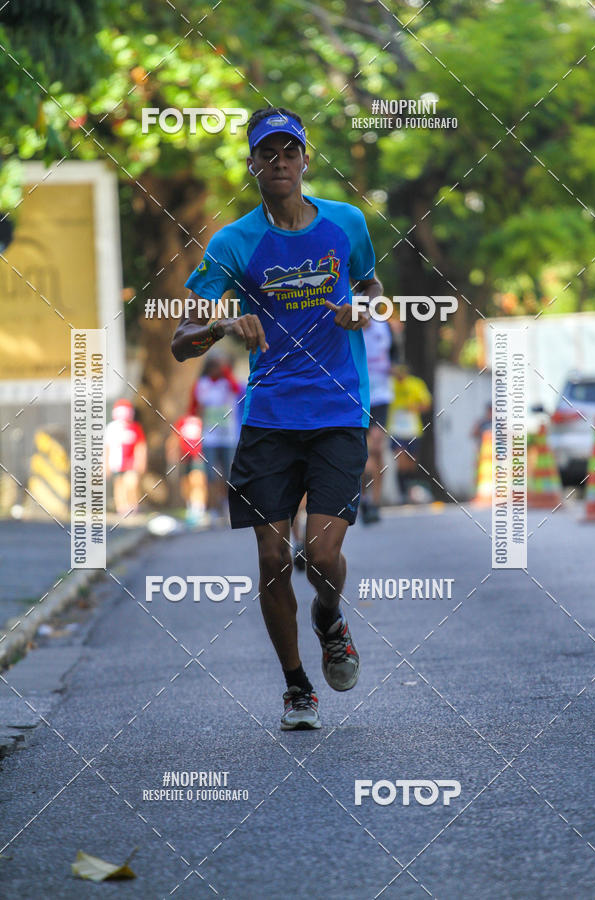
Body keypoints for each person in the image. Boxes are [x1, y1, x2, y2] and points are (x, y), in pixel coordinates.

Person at [172, 107, 382, 730]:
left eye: (291, 152)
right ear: (253, 165)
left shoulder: (347, 223)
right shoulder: (233, 242)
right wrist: (223, 324)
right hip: (268, 415)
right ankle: (296, 687)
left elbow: (373, 290)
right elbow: (182, 340)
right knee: (270, 556)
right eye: (268, 154)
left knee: (319, 552)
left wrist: (363, 310)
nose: (281, 163)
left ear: (306, 160)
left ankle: (330, 616)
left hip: (339, 406)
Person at [188, 354, 240, 524]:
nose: (217, 369)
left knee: (228, 473)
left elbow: (237, 389)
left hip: (228, 437)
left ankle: (227, 505)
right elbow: (193, 409)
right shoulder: (201, 385)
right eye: (214, 366)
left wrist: (225, 370)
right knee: (210, 475)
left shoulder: (228, 383)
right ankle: (213, 508)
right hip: (209, 437)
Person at [360, 318, 393, 524]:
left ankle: (375, 502)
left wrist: (397, 368)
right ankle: (363, 497)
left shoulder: (384, 326)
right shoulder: (348, 326)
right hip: (357, 396)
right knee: (363, 454)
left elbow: (395, 354)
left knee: (377, 447)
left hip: (381, 397)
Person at [388, 365, 432, 504]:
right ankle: (402, 494)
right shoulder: (389, 384)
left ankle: (410, 491)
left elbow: (426, 404)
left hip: (412, 429)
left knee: (411, 464)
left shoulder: (416, 383)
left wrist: (414, 407)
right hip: (396, 429)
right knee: (401, 460)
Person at [104, 398, 147, 517]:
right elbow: (107, 448)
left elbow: (140, 446)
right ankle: (122, 508)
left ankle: (133, 506)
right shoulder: (111, 428)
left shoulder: (135, 428)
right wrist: (105, 465)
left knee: (131, 483)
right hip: (116, 462)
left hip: (131, 462)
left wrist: (141, 461)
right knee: (119, 485)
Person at [166, 413, 208, 527]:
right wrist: (172, 459)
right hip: (184, 457)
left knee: (197, 481)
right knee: (186, 484)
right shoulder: (182, 421)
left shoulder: (203, 419)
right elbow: (173, 439)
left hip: (198, 456)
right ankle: (190, 508)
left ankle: (198, 509)